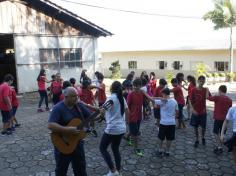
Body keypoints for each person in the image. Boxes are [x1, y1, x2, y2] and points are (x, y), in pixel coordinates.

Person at [48, 87, 92, 176]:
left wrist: (101, 113)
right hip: (63, 144)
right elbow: (50, 125)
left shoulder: (79, 106)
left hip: (77, 143)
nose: (76, 98)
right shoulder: (58, 108)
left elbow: (90, 117)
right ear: (66, 96)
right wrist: (67, 130)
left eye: (77, 96)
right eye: (73, 96)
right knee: (61, 170)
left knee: (80, 170)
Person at [100, 81, 129, 176]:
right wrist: (126, 125)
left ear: (112, 88)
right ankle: (118, 171)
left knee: (102, 148)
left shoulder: (111, 98)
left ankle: (113, 170)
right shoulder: (122, 98)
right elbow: (127, 111)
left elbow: (102, 111)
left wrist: (98, 115)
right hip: (121, 128)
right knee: (115, 148)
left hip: (112, 128)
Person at [150, 88, 178, 157]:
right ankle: (167, 151)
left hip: (163, 123)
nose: (161, 95)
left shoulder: (162, 101)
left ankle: (160, 150)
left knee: (161, 137)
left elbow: (151, 100)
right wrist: (174, 119)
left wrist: (144, 93)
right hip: (172, 123)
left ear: (164, 94)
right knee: (169, 138)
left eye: (162, 94)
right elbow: (177, 112)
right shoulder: (174, 101)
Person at [208, 85, 232, 154]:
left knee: (215, 132)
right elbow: (229, 109)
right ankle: (221, 144)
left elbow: (208, 98)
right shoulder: (229, 100)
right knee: (222, 132)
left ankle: (219, 147)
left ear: (220, 90)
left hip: (218, 118)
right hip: (225, 119)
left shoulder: (217, 97)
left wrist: (208, 91)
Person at [189, 75, 210, 148]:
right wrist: (192, 109)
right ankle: (197, 139)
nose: (202, 82)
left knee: (203, 127)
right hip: (195, 111)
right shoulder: (193, 90)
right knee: (195, 126)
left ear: (204, 81)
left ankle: (203, 137)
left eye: (203, 81)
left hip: (203, 111)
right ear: (198, 81)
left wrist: (207, 90)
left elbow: (209, 97)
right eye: (200, 80)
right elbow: (190, 100)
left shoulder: (205, 90)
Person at [127, 78, 145, 156]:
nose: (135, 87)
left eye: (137, 86)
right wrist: (127, 118)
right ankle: (137, 148)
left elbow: (143, 103)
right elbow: (126, 107)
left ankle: (127, 137)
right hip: (132, 116)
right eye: (134, 86)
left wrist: (143, 113)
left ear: (140, 86)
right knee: (136, 133)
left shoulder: (141, 93)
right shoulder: (131, 94)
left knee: (135, 131)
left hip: (139, 116)